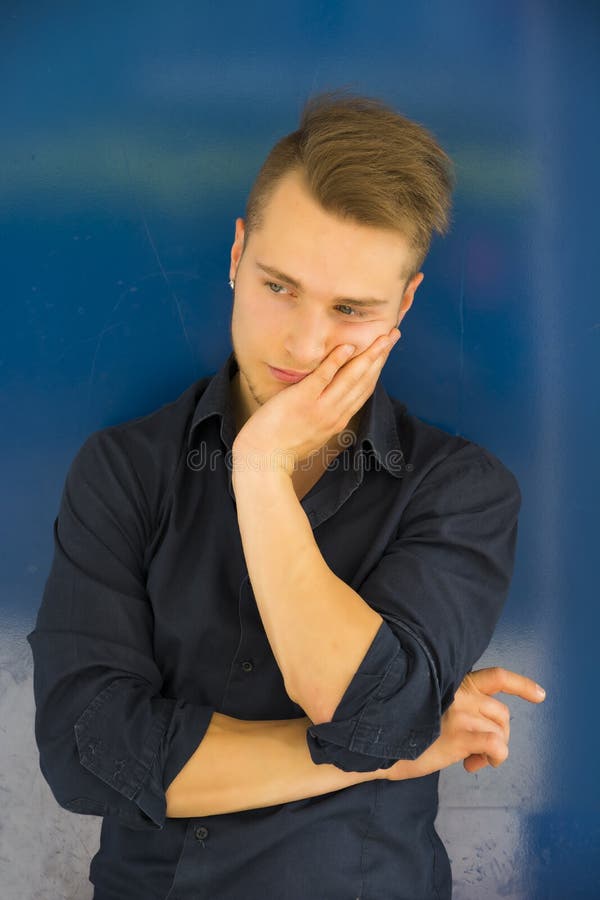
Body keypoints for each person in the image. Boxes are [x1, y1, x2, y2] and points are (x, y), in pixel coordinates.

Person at [27, 90, 546, 900]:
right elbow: (86, 752)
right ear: (237, 255)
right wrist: (399, 749)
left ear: (403, 307)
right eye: (278, 287)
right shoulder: (124, 470)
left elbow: (366, 715)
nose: (304, 344)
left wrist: (260, 472)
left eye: (349, 310)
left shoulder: (459, 492)